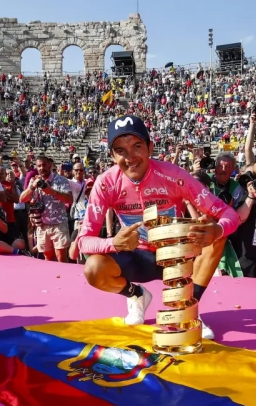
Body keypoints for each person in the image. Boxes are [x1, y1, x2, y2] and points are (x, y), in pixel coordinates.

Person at [77, 115, 240, 340]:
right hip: (135, 257)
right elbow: (83, 240)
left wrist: (217, 230)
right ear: (113, 156)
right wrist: (114, 242)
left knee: (215, 231)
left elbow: (228, 214)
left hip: (176, 257)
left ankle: (187, 307)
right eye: (120, 150)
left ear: (150, 147)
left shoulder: (173, 175)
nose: (130, 157)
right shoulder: (105, 183)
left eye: (137, 147)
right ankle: (136, 295)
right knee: (93, 268)